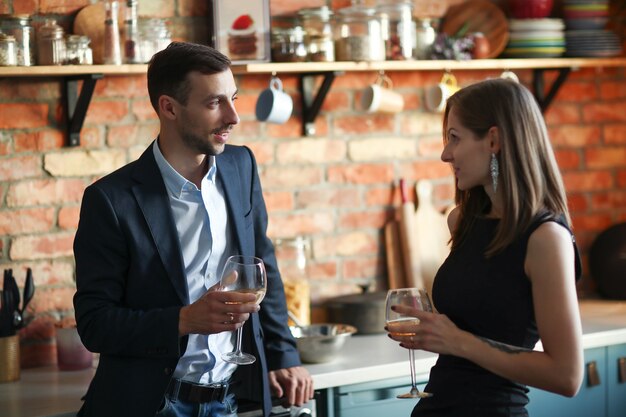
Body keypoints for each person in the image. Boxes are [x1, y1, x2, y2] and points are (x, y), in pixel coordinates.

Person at [73, 41, 314, 417]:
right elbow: (95, 324)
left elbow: (263, 262)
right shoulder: (110, 200)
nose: (234, 117)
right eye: (215, 103)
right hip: (150, 403)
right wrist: (184, 320)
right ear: (169, 107)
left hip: (231, 399)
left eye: (233, 98)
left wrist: (283, 354)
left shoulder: (241, 165)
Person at [386, 78, 584, 417]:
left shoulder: (546, 238)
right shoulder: (462, 221)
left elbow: (567, 376)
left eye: (454, 137)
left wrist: (457, 341)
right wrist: (436, 333)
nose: (445, 154)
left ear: (493, 140)